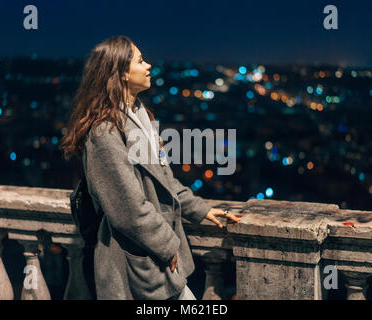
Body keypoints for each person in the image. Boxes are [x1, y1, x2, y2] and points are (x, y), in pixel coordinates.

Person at [60, 35, 241, 300]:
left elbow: (165, 181)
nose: (148, 66)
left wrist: (200, 209)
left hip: (156, 258)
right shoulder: (104, 133)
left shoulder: (139, 116)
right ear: (121, 73)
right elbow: (126, 208)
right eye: (140, 60)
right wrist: (167, 244)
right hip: (137, 262)